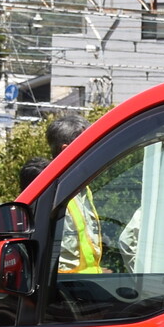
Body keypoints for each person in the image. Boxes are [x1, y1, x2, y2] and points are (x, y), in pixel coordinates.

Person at [35, 114, 102, 275]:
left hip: (89, 287)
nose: (94, 152)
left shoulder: (83, 191)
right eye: (89, 146)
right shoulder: (50, 193)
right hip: (65, 291)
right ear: (67, 151)